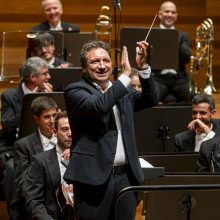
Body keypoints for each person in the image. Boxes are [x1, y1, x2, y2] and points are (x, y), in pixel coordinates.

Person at [63, 40, 158, 220]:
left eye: (106, 60)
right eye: (95, 62)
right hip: (93, 179)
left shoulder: (121, 90)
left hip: (126, 178)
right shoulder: (75, 91)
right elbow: (100, 106)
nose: (102, 66)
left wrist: (143, 67)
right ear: (84, 67)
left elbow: (150, 99)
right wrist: (125, 76)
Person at [0, 56, 53, 220]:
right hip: (13, 148)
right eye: (45, 74)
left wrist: (51, 99)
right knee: (11, 169)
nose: (49, 77)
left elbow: (57, 120)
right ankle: (16, 215)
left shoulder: (49, 91)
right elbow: (8, 125)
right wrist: (27, 101)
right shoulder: (10, 96)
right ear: (33, 78)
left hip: (41, 143)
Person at [13, 96, 58, 219]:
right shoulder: (23, 146)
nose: (52, 121)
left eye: (54, 115)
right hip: (42, 203)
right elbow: (24, 186)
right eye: (46, 117)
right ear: (36, 119)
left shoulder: (67, 139)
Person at [25, 111, 72, 220]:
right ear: (55, 132)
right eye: (65, 129)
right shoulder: (40, 161)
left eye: (73, 128)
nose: (70, 133)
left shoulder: (87, 157)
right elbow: (34, 201)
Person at [153, 1, 194, 103]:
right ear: (160, 14)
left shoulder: (183, 36)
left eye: (173, 12)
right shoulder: (152, 34)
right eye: (167, 11)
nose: (170, 15)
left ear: (176, 16)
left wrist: (173, 39)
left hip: (179, 79)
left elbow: (187, 58)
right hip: (158, 78)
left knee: (192, 95)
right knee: (151, 96)